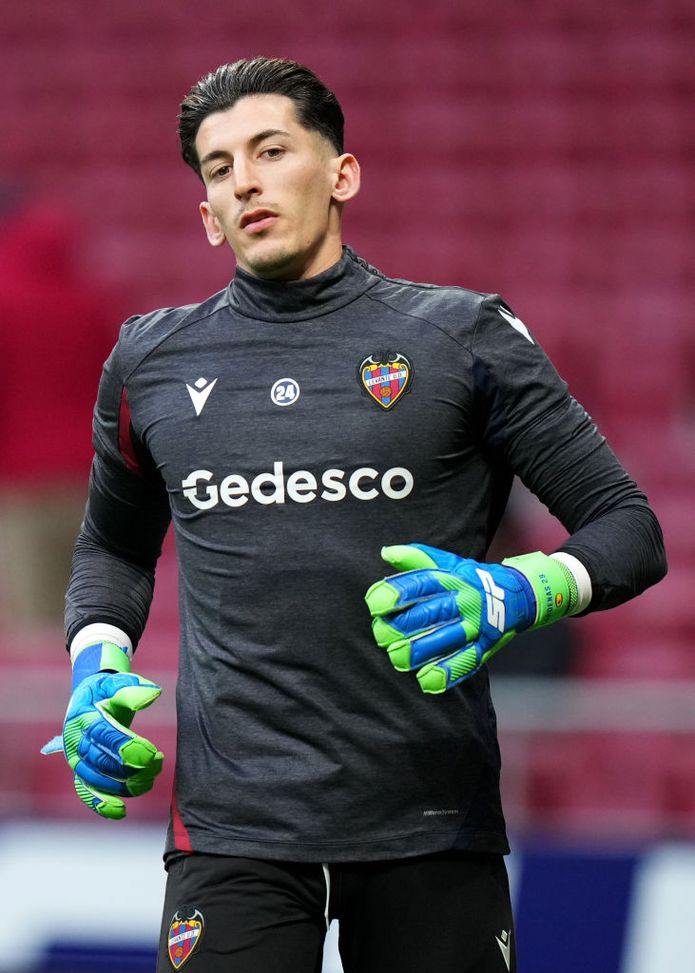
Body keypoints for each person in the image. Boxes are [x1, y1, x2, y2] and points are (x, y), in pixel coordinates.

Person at [44, 57, 666, 973]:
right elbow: (112, 547)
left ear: (341, 174)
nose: (244, 179)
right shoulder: (148, 363)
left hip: (430, 824)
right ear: (206, 216)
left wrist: (516, 589)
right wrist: (94, 666)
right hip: (233, 829)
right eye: (218, 169)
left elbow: (626, 524)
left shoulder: (463, 337)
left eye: (269, 149)